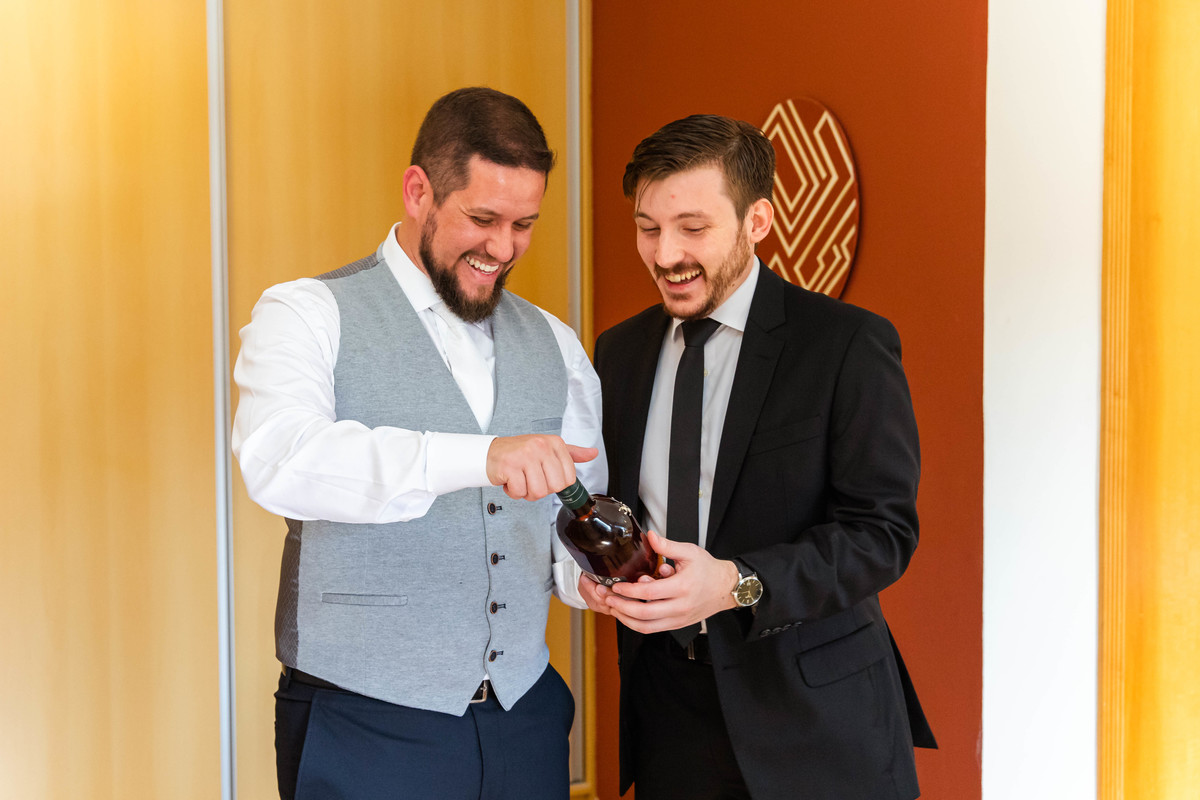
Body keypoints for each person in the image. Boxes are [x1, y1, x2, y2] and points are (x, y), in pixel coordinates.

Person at [232, 87, 605, 800]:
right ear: (418, 192)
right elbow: (282, 461)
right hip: (364, 724)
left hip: (526, 716)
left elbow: (573, 510)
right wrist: (480, 457)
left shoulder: (555, 344)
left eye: (524, 224)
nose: (503, 248)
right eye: (482, 219)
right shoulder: (306, 313)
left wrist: (583, 577)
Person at [581, 114, 936, 800]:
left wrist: (736, 583)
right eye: (648, 228)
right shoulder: (618, 352)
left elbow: (882, 535)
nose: (665, 254)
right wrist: (603, 573)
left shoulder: (846, 345)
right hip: (669, 717)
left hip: (817, 723)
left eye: (693, 227)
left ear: (758, 222)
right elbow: (626, 507)